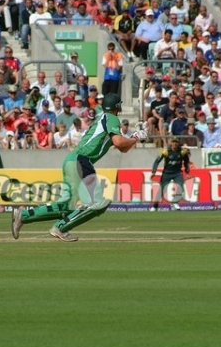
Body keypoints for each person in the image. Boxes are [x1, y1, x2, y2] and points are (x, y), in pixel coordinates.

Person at [11, 93, 147, 242]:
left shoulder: (104, 119)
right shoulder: (112, 118)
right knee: (98, 204)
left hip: (71, 160)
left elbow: (123, 148)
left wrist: (135, 136)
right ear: (117, 107)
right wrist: (136, 138)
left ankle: (23, 215)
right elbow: (120, 143)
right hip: (82, 160)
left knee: (66, 206)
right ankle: (61, 227)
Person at [149, 137, 190, 211]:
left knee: (181, 186)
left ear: (178, 143)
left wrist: (187, 168)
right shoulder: (166, 151)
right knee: (161, 190)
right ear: (171, 143)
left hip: (177, 173)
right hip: (166, 173)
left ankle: (175, 202)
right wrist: (153, 171)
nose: (175, 144)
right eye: (173, 142)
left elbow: (186, 159)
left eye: (176, 142)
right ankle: (155, 206)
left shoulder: (182, 151)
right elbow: (157, 161)